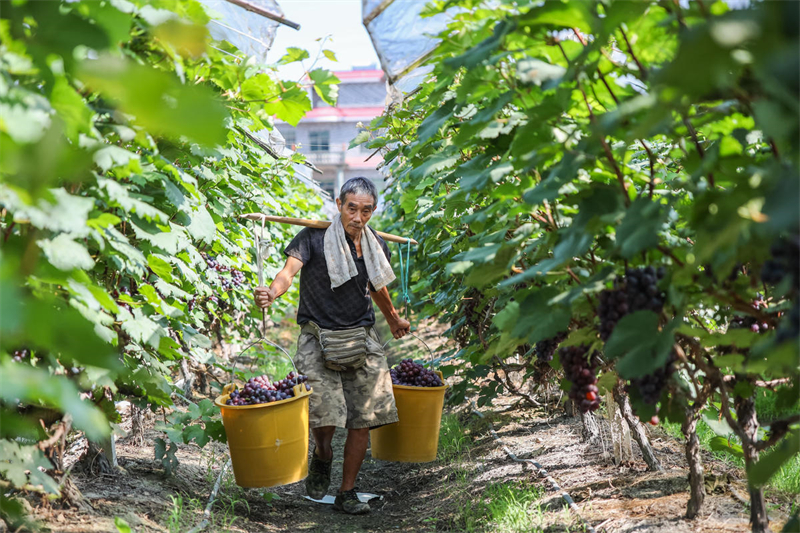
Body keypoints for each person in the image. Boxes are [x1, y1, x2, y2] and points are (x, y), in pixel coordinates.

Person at [254, 177, 410, 515]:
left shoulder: (374, 245)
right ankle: (323, 453)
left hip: (362, 335)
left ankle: (347, 492)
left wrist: (394, 320)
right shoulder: (312, 238)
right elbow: (288, 272)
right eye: (351, 208)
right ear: (339, 205)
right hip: (317, 336)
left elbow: (377, 288)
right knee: (323, 416)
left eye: (365, 211)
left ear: (373, 212)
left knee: (362, 418)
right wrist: (272, 291)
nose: (357, 217)